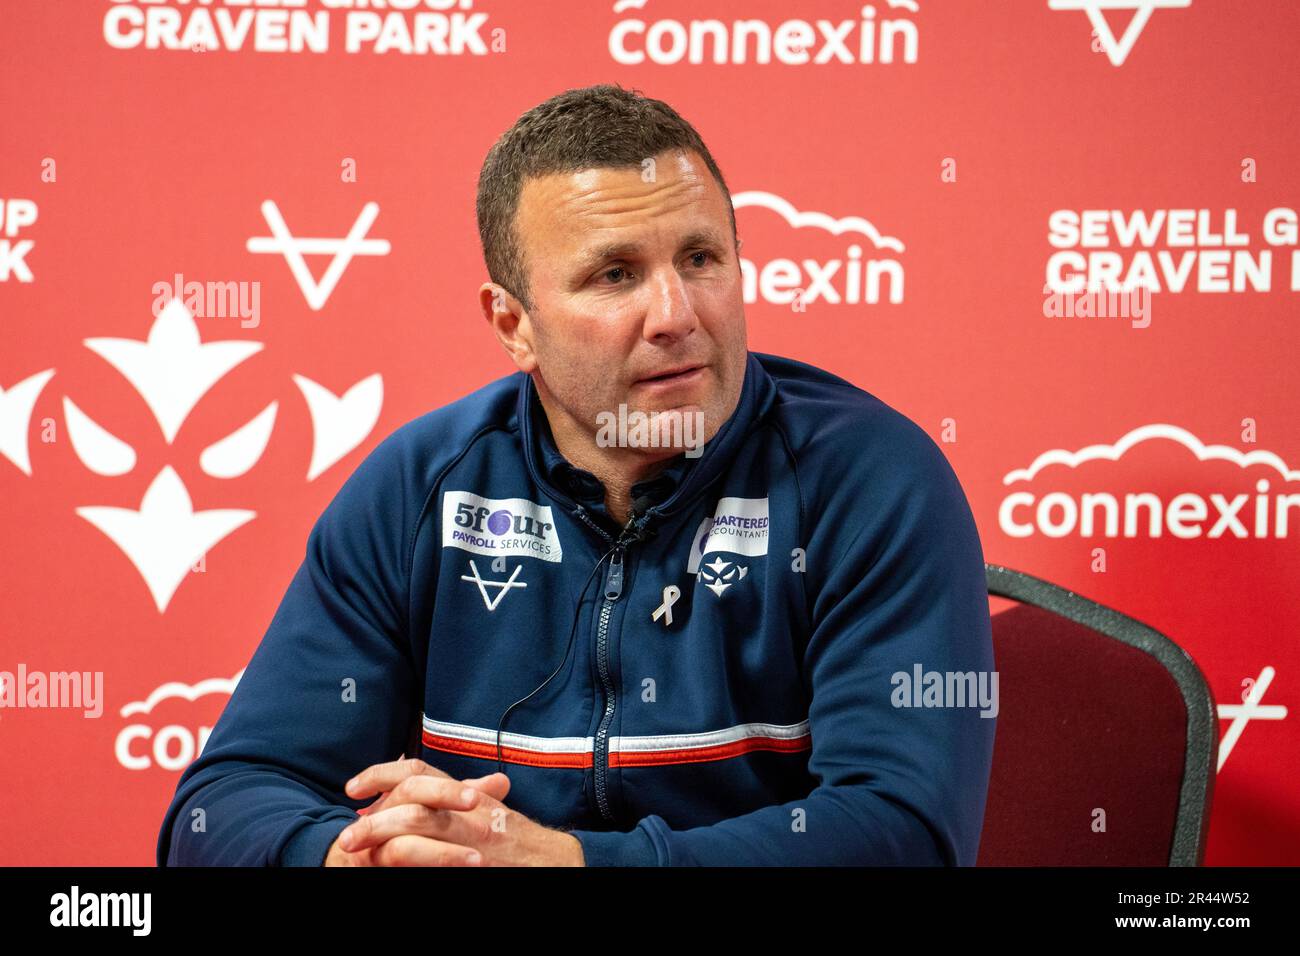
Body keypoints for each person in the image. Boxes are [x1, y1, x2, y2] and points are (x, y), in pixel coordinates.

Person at [156, 83, 996, 867]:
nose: (676, 316)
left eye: (701, 258)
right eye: (615, 275)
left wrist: (570, 863)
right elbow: (222, 804)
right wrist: (348, 857)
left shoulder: (875, 482)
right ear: (512, 324)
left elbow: (906, 831)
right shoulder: (420, 488)